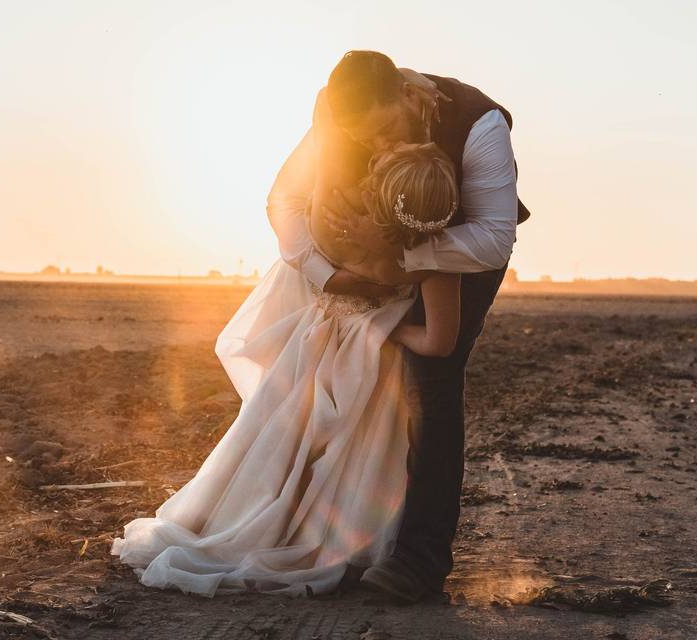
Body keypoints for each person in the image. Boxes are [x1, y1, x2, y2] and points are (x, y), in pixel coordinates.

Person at [110, 141, 464, 598]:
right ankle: (333, 541)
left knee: (286, 442)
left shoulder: (340, 227)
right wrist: (386, 329)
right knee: (348, 458)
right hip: (371, 365)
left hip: (313, 345)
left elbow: (295, 253)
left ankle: (255, 521)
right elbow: (440, 342)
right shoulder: (437, 262)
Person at [267, 50, 528, 603]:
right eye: (363, 141)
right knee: (338, 377)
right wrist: (328, 273)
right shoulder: (333, 120)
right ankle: (322, 531)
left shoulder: (478, 125)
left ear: (408, 96)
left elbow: (493, 237)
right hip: (355, 262)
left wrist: (400, 253)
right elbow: (285, 198)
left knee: (431, 373)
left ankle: (419, 560)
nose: (378, 149)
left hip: (458, 248)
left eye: (385, 131)